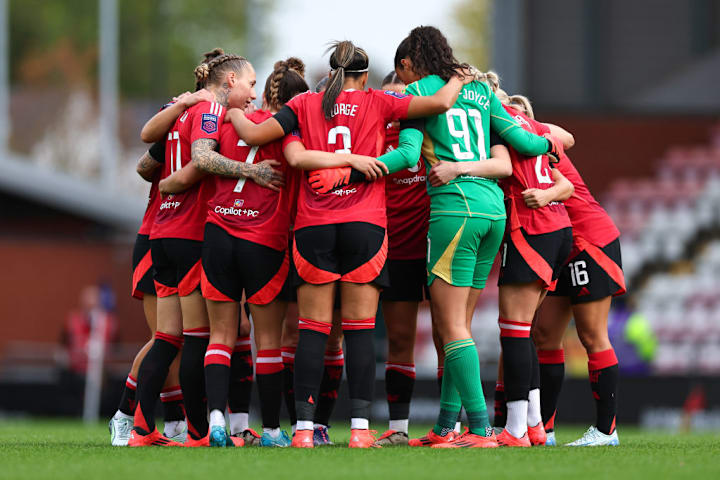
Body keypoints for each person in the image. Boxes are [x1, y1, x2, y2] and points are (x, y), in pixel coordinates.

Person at [226, 39, 469, 448]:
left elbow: (253, 132)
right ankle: (359, 429)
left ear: (331, 72)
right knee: (359, 331)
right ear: (365, 73)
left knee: (312, 331)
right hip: (364, 225)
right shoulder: (380, 101)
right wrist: (460, 76)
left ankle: (303, 430)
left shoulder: (304, 104)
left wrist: (231, 108)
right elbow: (443, 103)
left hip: (313, 226)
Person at [378, 26, 564, 448]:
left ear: (407, 64)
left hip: (454, 212)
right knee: (456, 324)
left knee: (450, 326)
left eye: (401, 72)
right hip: (494, 213)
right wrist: (554, 139)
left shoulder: (416, 94)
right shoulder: (480, 91)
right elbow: (524, 141)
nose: (402, 81)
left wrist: (357, 167)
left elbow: (408, 155)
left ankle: (480, 428)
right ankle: (446, 425)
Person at [129, 51, 278, 447]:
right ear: (230, 80)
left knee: (167, 337)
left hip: (160, 232)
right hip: (192, 234)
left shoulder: (180, 107)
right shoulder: (209, 109)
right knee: (197, 337)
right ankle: (198, 432)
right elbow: (203, 157)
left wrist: (181, 104)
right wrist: (250, 170)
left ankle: (140, 430)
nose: (252, 93)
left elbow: (146, 155)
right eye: (249, 83)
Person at [160, 56, 309, 447]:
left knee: (220, 337)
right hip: (264, 240)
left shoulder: (222, 119)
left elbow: (195, 159)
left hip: (219, 236)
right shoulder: (289, 129)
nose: (254, 90)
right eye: (251, 81)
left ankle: (216, 422)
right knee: (269, 342)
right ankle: (274, 431)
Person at [488, 87, 575, 447]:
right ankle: (535, 425)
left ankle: (515, 429)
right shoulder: (530, 123)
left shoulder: (498, 124)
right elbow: (567, 138)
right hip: (557, 228)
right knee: (522, 332)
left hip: (532, 227)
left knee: (513, 330)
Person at [532, 150, 626, 447]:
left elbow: (563, 136)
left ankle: (606, 430)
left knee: (591, 334)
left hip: (588, 240)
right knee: (544, 333)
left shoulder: (534, 138)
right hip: (557, 244)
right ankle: (545, 430)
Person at [373, 72, 431, 446]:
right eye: (391, 99)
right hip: (370, 244)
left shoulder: (427, 135)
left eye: (403, 101)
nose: (398, 108)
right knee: (333, 337)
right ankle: (316, 426)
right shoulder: (372, 134)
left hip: (412, 250)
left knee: (401, 339)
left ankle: (401, 427)